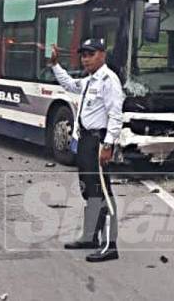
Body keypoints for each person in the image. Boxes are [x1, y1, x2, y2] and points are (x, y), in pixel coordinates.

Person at [49, 38, 124, 263]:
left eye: (90, 54)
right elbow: (70, 85)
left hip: (98, 142)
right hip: (85, 143)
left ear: (102, 54)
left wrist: (108, 145)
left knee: (103, 194)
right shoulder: (90, 80)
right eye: (83, 55)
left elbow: (115, 115)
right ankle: (91, 236)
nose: (86, 59)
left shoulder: (109, 81)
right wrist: (55, 65)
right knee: (89, 191)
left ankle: (110, 245)